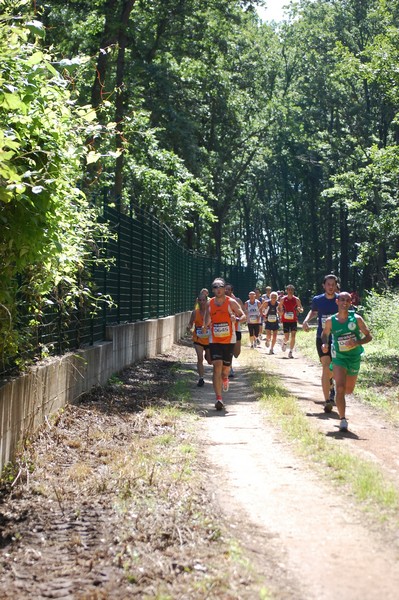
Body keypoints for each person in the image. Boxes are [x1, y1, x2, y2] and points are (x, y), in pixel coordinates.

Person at [321, 291, 372, 431]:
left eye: (347, 300)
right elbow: (324, 334)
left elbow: (369, 336)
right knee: (340, 388)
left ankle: (334, 381)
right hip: (339, 357)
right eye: (342, 300)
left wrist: (357, 342)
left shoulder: (356, 319)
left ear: (351, 303)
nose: (344, 302)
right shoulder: (331, 321)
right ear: (337, 302)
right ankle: (342, 419)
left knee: (349, 390)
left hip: (354, 357)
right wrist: (324, 344)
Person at [203, 278, 245, 410]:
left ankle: (225, 378)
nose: (218, 289)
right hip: (214, 339)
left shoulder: (231, 302)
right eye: (215, 287)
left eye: (220, 286)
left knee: (225, 370)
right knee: (216, 367)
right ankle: (219, 399)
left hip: (229, 339)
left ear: (224, 288)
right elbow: (207, 316)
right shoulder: (210, 303)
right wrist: (205, 325)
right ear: (213, 290)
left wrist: (236, 319)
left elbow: (244, 316)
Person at [302, 274, 339, 412]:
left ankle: (331, 384)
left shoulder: (340, 300)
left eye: (333, 284)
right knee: (325, 366)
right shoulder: (318, 299)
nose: (330, 287)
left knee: (334, 368)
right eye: (328, 284)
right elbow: (313, 311)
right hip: (322, 337)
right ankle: (327, 400)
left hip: (338, 338)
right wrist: (306, 320)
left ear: (336, 286)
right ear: (324, 285)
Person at [187, 293, 212, 387]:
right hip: (198, 339)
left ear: (206, 301)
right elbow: (190, 324)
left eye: (203, 300)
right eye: (200, 300)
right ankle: (201, 378)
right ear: (198, 301)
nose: (202, 302)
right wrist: (188, 327)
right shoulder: (195, 312)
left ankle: (208, 356)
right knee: (199, 358)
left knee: (210, 361)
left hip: (209, 339)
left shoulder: (210, 312)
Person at [278, 284, 303, 358]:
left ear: (293, 291)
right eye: (289, 290)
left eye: (291, 290)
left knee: (293, 336)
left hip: (293, 320)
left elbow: (301, 309)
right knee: (287, 337)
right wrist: (280, 313)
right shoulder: (283, 299)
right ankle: (285, 343)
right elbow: (279, 308)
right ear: (286, 291)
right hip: (285, 320)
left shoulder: (296, 299)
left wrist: (300, 310)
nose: (290, 291)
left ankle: (291, 352)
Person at [225, 283, 244, 377]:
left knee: (236, 352)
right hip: (225, 329)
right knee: (229, 349)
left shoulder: (237, 301)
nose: (226, 291)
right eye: (225, 289)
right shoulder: (220, 301)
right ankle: (229, 367)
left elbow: (244, 313)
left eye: (228, 289)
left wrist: (238, 319)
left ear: (232, 291)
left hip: (236, 328)